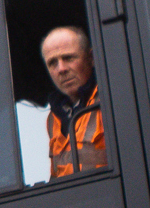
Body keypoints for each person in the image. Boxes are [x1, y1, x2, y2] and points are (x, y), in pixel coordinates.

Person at [42, 25, 107, 179]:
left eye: (68, 58)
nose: (61, 69)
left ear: (90, 58)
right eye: (53, 63)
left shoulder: (111, 98)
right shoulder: (53, 119)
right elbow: (56, 176)